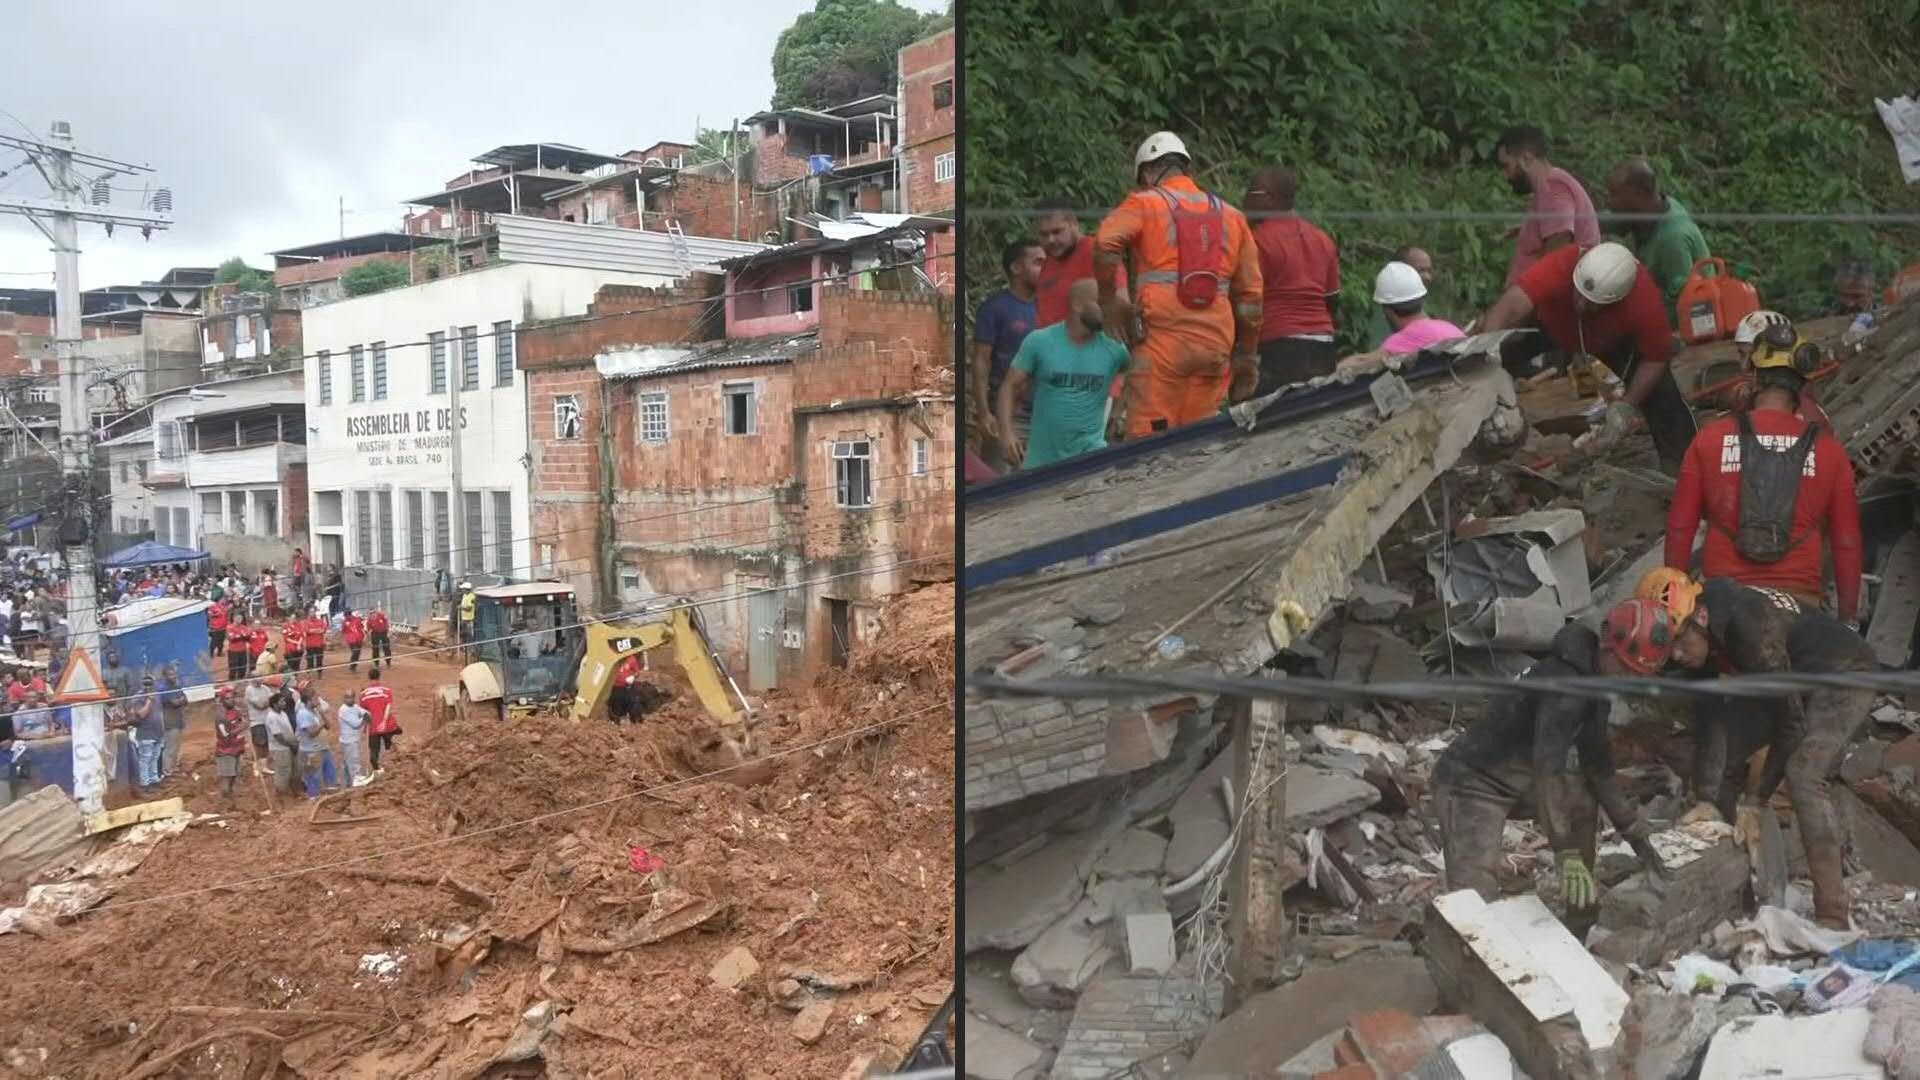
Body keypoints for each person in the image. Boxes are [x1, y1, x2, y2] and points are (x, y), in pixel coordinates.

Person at [1650, 574, 1878, 928]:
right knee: (1722, 764)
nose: (1677, 654)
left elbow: (1792, 724)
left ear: (1701, 618)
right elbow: (1712, 722)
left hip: (1845, 671)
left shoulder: (1748, 625)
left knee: (1804, 775)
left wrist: (1757, 800)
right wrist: (1706, 799)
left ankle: (1832, 912)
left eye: (1680, 642)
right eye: (1670, 649)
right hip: (1790, 677)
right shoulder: (1703, 632)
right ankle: (1734, 899)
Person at [1431, 600, 1672, 935]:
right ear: (1606, 642)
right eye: (1625, 668)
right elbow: (1549, 769)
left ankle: (1580, 915)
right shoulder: (1566, 687)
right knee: (1476, 902)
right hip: (1470, 785)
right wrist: (1564, 850)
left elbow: (1596, 763)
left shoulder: (1595, 683)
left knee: (1583, 798)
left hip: (1517, 780)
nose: (1627, 679)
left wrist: (1633, 830)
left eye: (1637, 674)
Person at [1665, 324, 1861, 623]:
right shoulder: (1830, 452)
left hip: (1723, 606)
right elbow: (1846, 541)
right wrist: (1848, 620)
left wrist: (1675, 611)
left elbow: (1680, 527)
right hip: (1799, 612)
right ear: (1804, 384)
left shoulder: (1710, 439)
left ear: (1753, 375)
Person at [1094, 132, 1263, 437]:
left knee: (1149, 447)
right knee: (1199, 446)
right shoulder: (1233, 216)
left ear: (1147, 172)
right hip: (1214, 348)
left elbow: (1106, 241)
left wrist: (1110, 301)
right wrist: (1246, 355)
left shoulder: (1145, 203)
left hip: (1162, 348)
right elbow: (1251, 298)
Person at [1478, 241, 1698, 472]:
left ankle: (1682, 467)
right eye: (1579, 294)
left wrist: (1626, 406)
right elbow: (1510, 306)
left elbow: (1655, 358)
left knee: (1662, 395)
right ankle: (1478, 440)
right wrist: (1485, 357)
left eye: (1592, 304)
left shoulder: (1644, 301)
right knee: (1492, 355)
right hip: (1552, 323)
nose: (1581, 306)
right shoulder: (1563, 263)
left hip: (1611, 340)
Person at [996, 279, 1133, 469]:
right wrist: (1006, 434)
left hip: (1091, 456)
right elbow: (1009, 387)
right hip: (1042, 461)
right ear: (1078, 305)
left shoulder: (1114, 347)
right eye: (1101, 305)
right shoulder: (1040, 342)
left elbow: (1138, 373)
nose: (1107, 312)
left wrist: (1118, 412)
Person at [1246, 165, 1341, 392]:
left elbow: (1248, 301)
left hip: (1278, 345)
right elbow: (1332, 300)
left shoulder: (1257, 241)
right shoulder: (1322, 239)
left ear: (1270, 198)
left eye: (1251, 192)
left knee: (1272, 420)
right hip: (1322, 344)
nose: (1246, 199)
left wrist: (1242, 348)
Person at [1495, 125, 1601, 286]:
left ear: (1526, 159)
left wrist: (1520, 304)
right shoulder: (1551, 188)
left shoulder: (1553, 189)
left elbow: (1557, 255)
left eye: (1506, 166)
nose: (1505, 175)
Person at [1604, 157, 1709, 313]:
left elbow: (1687, 307)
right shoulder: (1653, 207)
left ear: (1640, 193)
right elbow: (1610, 221)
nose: (1609, 202)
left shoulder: (1673, 240)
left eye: (1615, 195)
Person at [973, 240, 1042, 471]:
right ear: (1016, 268)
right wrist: (983, 412)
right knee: (996, 484)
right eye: (1038, 262)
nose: (1045, 269)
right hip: (1005, 413)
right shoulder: (995, 308)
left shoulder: (1048, 308)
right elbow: (982, 361)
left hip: (1043, 412)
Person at [1334, 262, 1467, 379]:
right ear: (1421, 299)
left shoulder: (1400, 342)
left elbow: (1358, 363)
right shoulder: (1449, 327)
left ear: (1387, 310)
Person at [1363, 246, 1436, 349]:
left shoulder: (1423, 304)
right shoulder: (1386, 308)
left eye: (1429, 270)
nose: (1427, 277)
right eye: (1420, 270)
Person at [212, 686, 248, 808]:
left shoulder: (235, 710)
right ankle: (225, 802)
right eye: (228, 698)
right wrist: (241, 727)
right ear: (222, 700)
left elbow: (241, 720)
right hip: (226, 751)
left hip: (237, 748)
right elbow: (225, 737)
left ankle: (231, 798)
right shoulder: (221, 717)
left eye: (232, 697)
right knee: (227, 777)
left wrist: (242, 720)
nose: (231, 700)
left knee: (234, 775)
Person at [128, 674, 163, 791]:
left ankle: (154, 780)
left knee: (155, 758)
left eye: (150, 683)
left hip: (158, 732)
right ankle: (145, 783)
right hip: (145, 733)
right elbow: (142, 714)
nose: (148, 686)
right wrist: (148, 700)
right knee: (145, 759)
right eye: (145, 684)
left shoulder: (157, 695)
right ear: (141, 684)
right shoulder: (137, 698)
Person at [362, 668, 397, 774]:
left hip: (372, 726)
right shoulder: (387, 691)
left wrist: (365, 727)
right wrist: (384, 722)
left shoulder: (363, 694)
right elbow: (388, 707)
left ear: (369, 678)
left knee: (374, 751)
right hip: (386, 725)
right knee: (389, 748)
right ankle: (391, 768)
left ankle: (377, 769)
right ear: (379, 677)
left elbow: (364, 712)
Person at [263, 688, 298, 794]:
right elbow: (278, 736)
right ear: (274, 704)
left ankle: (290, 791)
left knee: (291, 770)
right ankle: (281, 793)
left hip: (288, 747)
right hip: (279, 749)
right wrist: (291, 745)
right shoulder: (272, 717)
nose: (284, 703)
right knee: (282, 771)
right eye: (281, 701)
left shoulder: (282, 713)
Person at [294, 688, 326, 798]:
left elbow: (328, 725)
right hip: (308, 750)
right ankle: (313, 796)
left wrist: (322, 714)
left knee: (316, 773)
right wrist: (322, 724)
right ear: (309, 701)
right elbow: (311, 733)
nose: (318, 700)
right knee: (312, 774)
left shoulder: (314, 711)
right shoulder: (303, 714)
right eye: (315, 698)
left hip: (315, 747)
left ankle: (315, 795)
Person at [158, 663, 187, 777]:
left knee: (176, 747)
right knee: (170, 748)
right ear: (165, 676)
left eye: (175, 674)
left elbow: (186, 699)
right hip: (169, 722)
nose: (174, 676)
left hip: (178, 720)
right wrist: (180, 700)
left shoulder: (176, 686)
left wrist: (180, 700)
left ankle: (173, 768)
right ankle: (167, 771)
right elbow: (175, 703)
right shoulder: (163, 689)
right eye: (171, 675)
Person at [335, 688, 369, 787]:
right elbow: (356, 724)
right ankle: (356, 782)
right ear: (344, 698)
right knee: (354, 762)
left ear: (354, 698)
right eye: (347, 697)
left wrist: (366, 715)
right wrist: (365, 718)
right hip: (349, 741)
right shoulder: (344, 710)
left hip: (353, 739)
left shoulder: (354, 706)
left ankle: (348, 783)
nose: (349, 699)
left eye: (351, 697)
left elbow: (363, 712)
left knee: (347, 763)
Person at [609, 653, 643, 723]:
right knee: (617, 705)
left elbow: (637, 672)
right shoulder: (612, 659)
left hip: (628, 687)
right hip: (616, 687)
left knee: (633, 704)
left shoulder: (631, 659)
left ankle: (636, 721)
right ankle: (616, 722)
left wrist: (633, 677)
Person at [226, 614, 252, 681]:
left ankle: (241, 680)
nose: (239, 620)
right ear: (234, 618)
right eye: (238, 618)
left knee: (243, 667)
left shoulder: (244, 627)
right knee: (233, 667)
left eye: (241, 618)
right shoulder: (230, 627)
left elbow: (248, 637)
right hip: (233, 651)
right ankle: (232, 680)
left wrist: (239, 636)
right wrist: (242, 636)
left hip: (243, 650)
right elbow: (232, 639)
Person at [458, 583, 476, 649]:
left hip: (469, 619)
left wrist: (461, 608)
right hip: (464, 618)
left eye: (463, 589)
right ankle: (464, 646)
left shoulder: (472, 597)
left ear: (467, 589)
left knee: (469, 634)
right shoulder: (464, 596)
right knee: (463, 632)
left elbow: (469, 608)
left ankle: (470, 647)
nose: (462, 590)